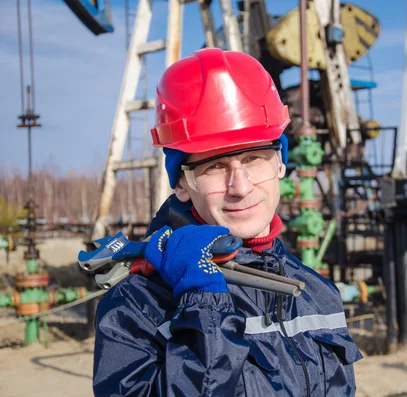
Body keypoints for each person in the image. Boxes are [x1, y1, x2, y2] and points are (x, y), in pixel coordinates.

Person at [92, 48, 362, 397]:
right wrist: (203, 308)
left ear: (280, 164)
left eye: (254, 159)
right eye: (215, 166)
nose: (241, 187)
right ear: (181, 184)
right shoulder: (135, 307)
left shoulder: (318, 292)